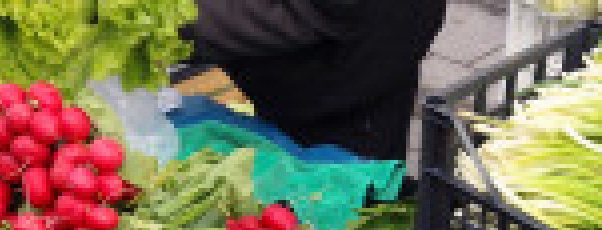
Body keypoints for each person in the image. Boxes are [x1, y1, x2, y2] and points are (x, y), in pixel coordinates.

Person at [182, 0, 448, 162]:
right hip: (328, 61)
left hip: (342, 76)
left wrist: (176, 20)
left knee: (339, 199)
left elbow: (302, 10)